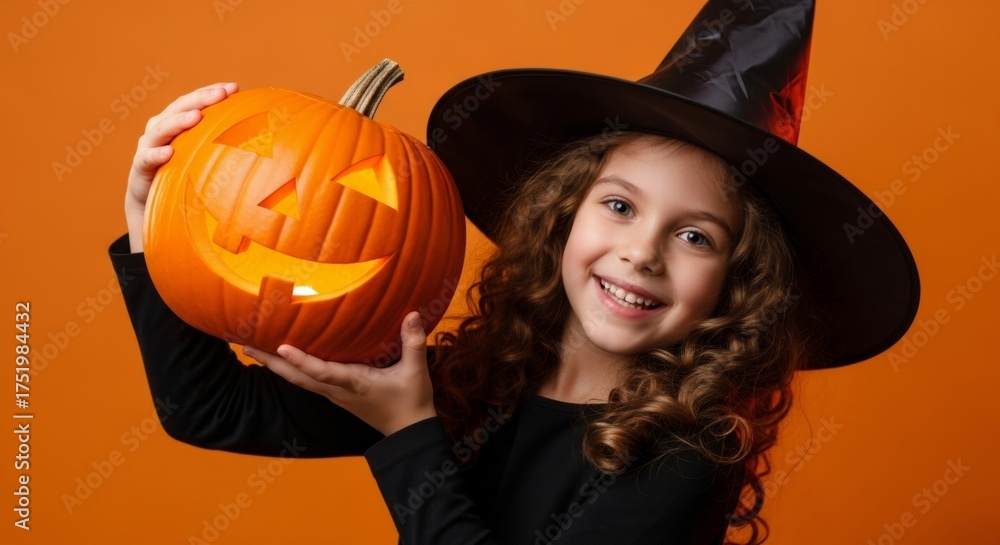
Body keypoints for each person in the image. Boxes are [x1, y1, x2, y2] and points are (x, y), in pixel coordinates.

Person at [109, 1, 919, 544]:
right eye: (621, 207)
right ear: (565, 212)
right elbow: (205, 409)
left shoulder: (687, 458)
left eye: (697, 237)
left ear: (739, 286)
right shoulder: (471, 382)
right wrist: (151, 225)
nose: (642, 251)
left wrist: (409, 436)